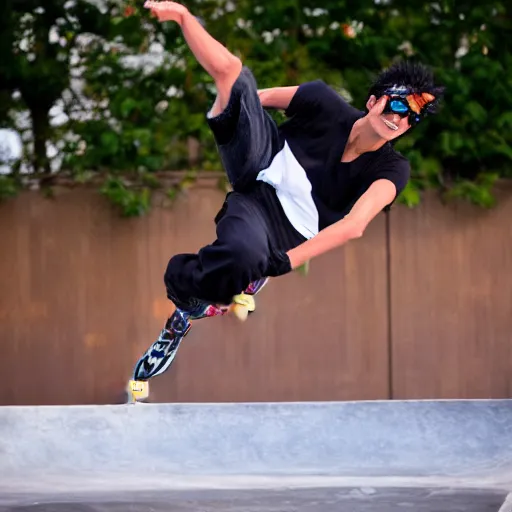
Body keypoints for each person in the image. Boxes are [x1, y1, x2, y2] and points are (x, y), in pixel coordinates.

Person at [132, 0, 444, 382]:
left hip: (286, 231)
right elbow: (257, 97)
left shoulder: (393, 169)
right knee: (233, 73)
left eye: (409, 117)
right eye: (396, 106)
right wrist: (232, 109)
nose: (398, 118)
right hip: (261, 167)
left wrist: (289, 260)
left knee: (243, 254)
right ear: (373, 101)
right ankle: (184, 16)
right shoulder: (322, 101)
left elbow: (355, 225)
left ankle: (191, 309)